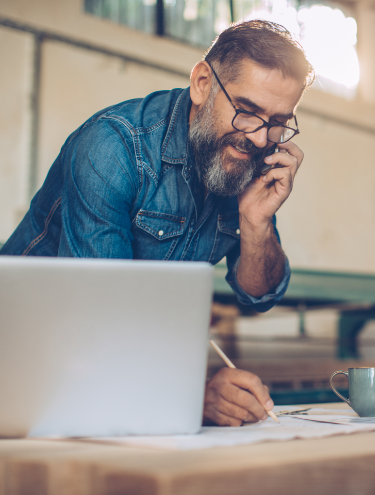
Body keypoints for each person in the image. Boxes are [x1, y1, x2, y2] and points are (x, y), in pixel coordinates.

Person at [0, 20, 314, 426]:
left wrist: (257, 222)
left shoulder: (249, 157)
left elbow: (259, 295)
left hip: (109, 375)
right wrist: (193, 393)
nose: (258, 138)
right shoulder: (113, 147)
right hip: (23, 357)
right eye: (247, 111)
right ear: (203, 82)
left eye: (277, 122)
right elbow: (97, 317)